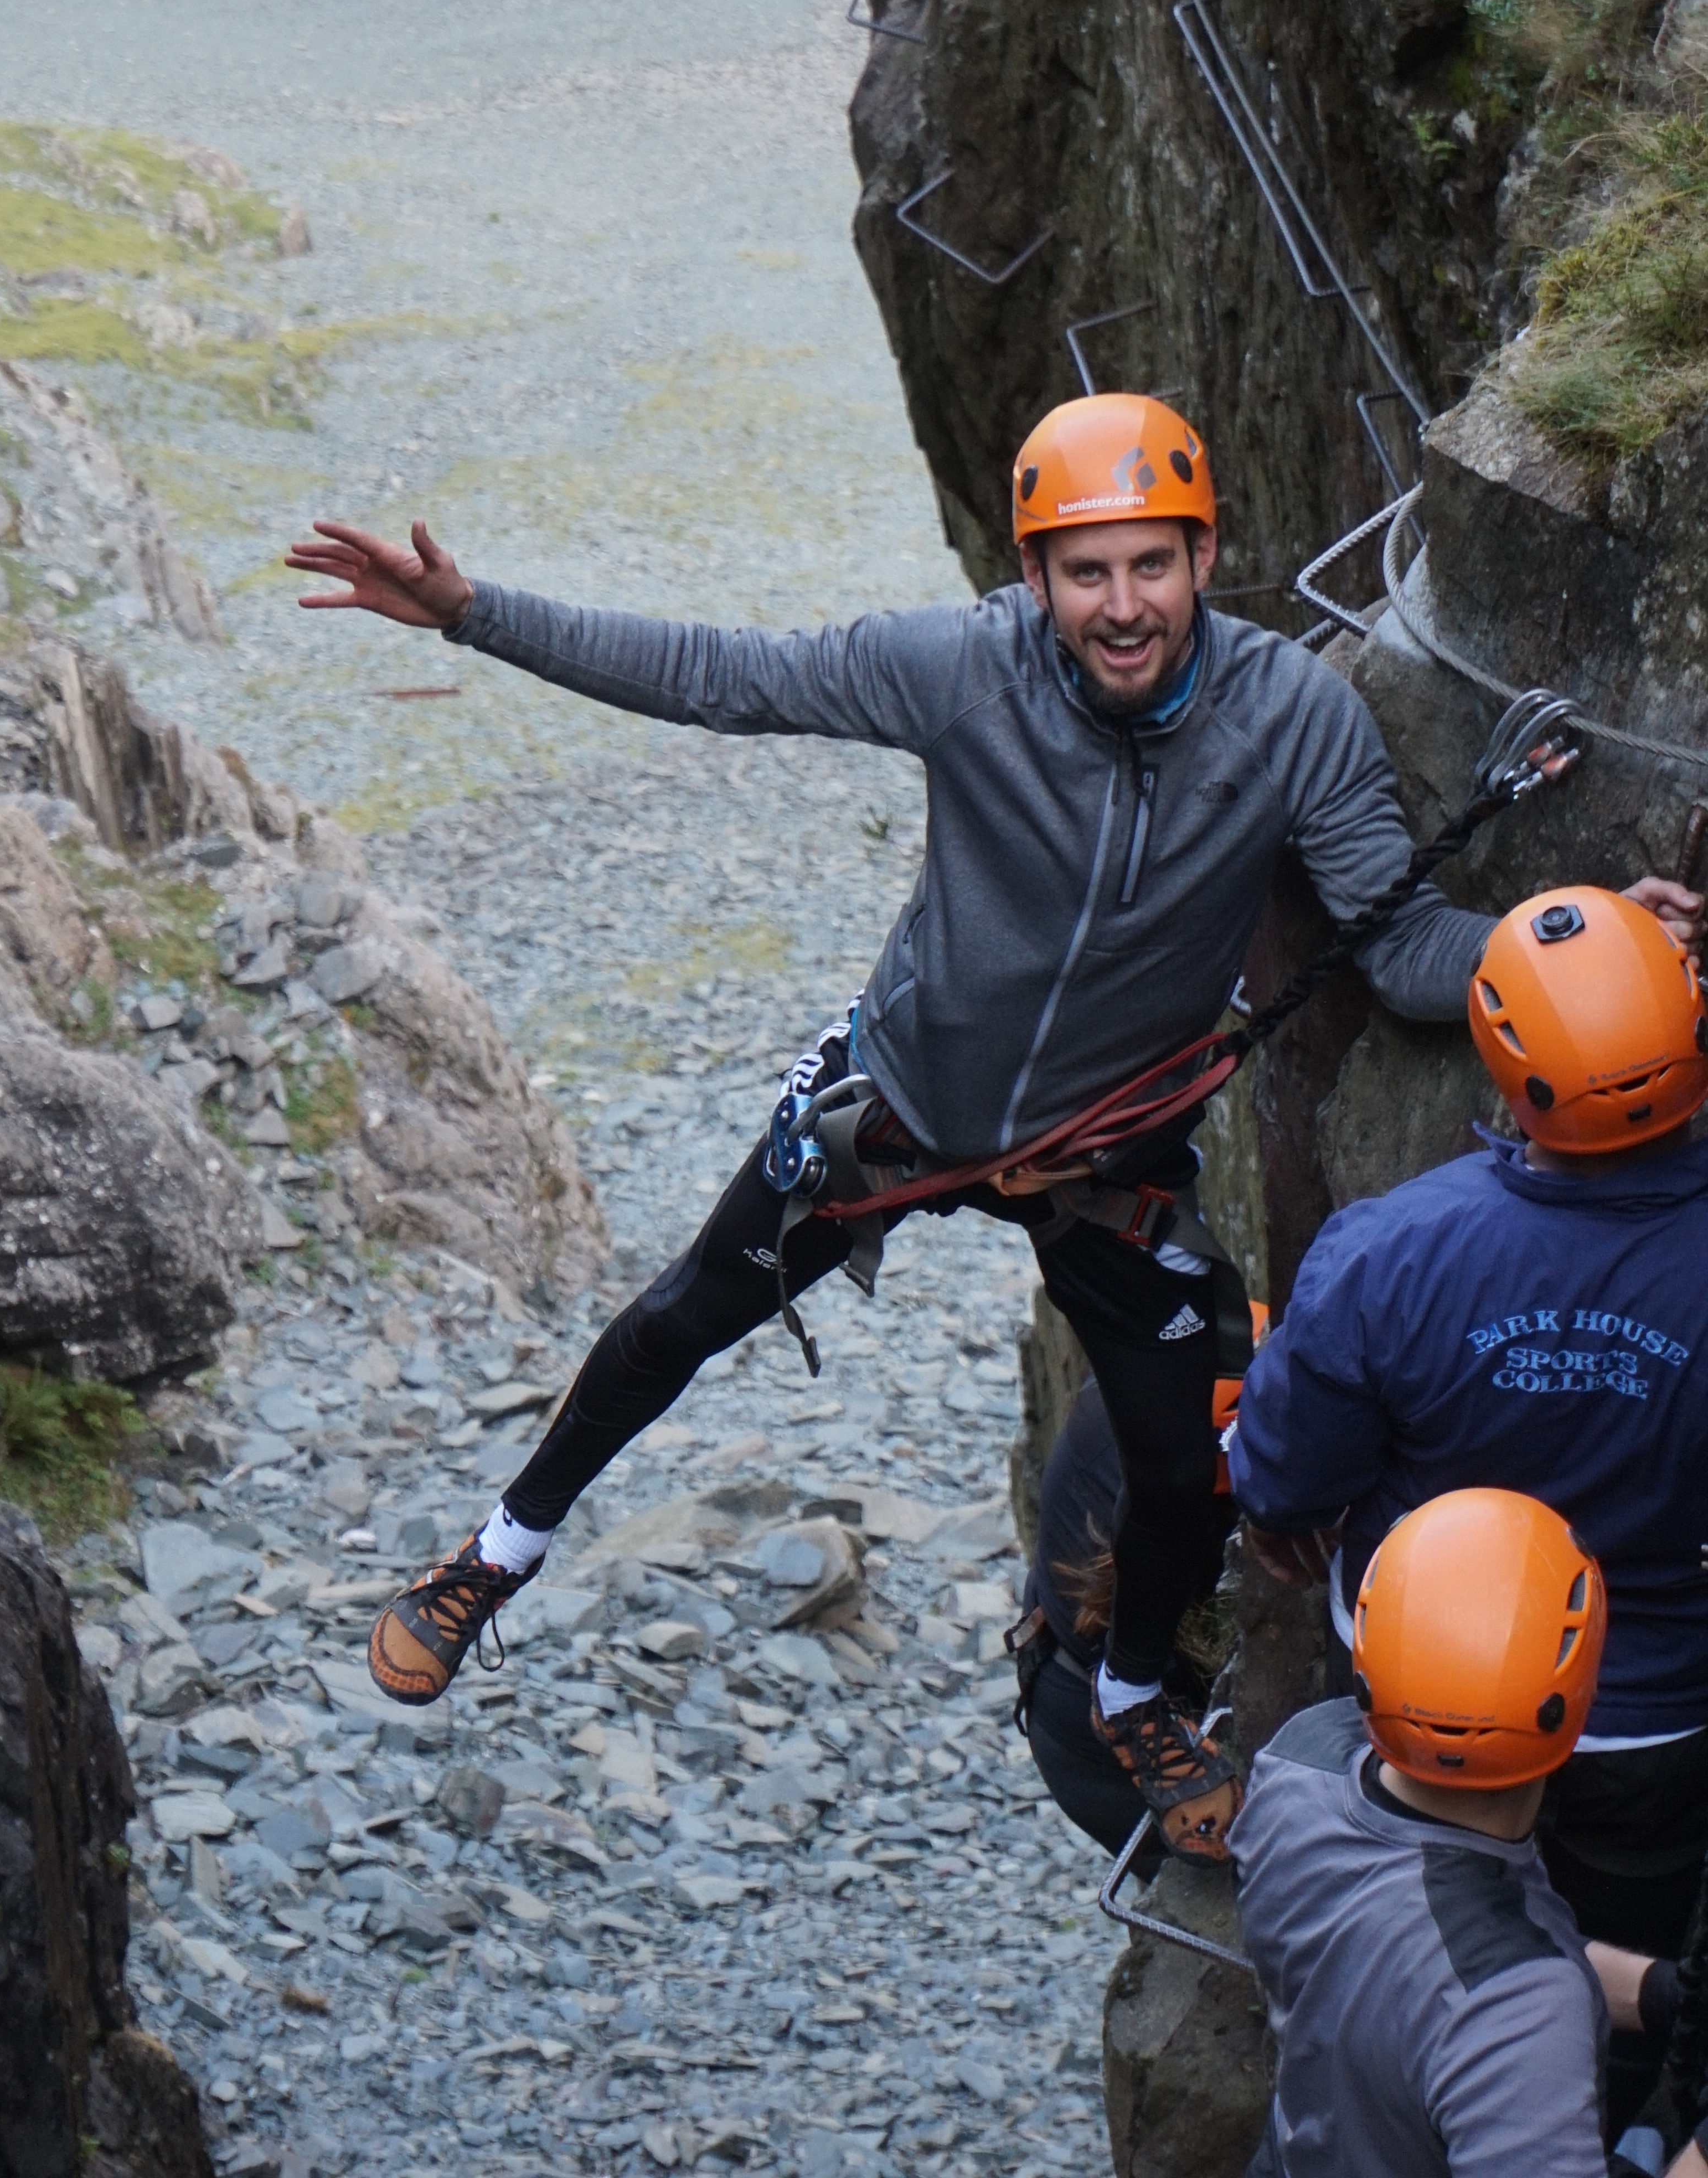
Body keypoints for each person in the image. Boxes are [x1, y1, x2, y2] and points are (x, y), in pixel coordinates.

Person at [285, 397, 1692, 1860]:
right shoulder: (966, 671)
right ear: (1034, 582)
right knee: (679, 1321)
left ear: (1206, 556)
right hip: (899, 1104)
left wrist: (1572, 945)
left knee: (1180, 1460)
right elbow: (725, 677)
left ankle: (1133, 1696)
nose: (1122, 605)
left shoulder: (1292, 721)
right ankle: (496, 1557)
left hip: (1107, 1152)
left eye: (1151, 565)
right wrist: (469, 615)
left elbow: (1400, 945)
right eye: (1085, 574)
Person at [1231, 884, 1708, 2097]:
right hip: (1654, 1704)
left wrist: (1291, 1517)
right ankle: (1593, 2110)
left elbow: (1282, 1472)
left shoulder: (1394, 1251)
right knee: (1621, 1976)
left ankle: (1399, 2093)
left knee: (1417, 1916)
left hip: (1427, 1691)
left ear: (1501, 1059)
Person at [1232, 1483, 1668, 2177]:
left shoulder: (1296, 1764)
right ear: (1578, 1698)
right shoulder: (1524, 2013)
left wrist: (1658, 1995)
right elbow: (1480, 1985)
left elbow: (1429, 1964)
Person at [1008, 1341, 1256, 1854]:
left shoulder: (1153, 1374)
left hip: (1105, 1669)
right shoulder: (1152, 1499)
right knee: (1247, 1879)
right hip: (1084, 1718)